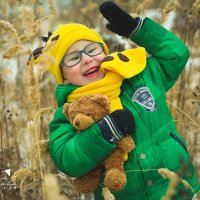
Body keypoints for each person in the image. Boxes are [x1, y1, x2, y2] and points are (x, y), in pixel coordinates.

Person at [31, 1, 199, 199]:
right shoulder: (68, 113)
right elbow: (68, 159)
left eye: (92, 49)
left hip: (175, 187)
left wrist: (137, 30)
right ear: (63, 75)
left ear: (104, 51)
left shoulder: (139, 76)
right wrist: (105, 131)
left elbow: (176, 54)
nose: (87, 59)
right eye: (73, 58)